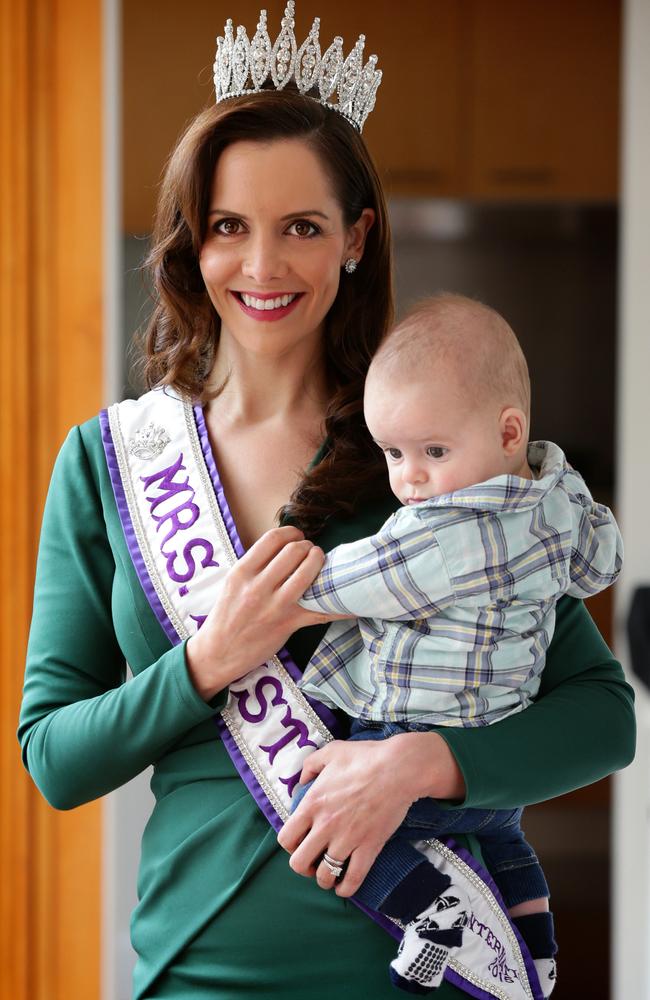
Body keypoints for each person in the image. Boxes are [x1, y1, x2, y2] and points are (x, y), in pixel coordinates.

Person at [17, 5, 634, 999]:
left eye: (299, 227)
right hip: (195, 970)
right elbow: (54, 756)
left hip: (419, 966)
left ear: (355, 237)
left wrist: (417, 764)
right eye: (228, 227)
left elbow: (602, 717)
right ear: (191, 240)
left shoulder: (428, 458)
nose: (261, 267)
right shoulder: (107, 464)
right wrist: (210, 660)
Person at [291, 292, 623, 995]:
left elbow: (344, 583)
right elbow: (599, 565)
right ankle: (537, 951)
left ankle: (430, 910)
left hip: (409, 740)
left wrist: (249, 598)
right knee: (507, 846)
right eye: (394, 454)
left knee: (340, 831)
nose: (410, 478)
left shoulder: (434, 535)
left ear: (508, 432)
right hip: (496, 761)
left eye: (433, 452)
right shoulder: (559, 508)